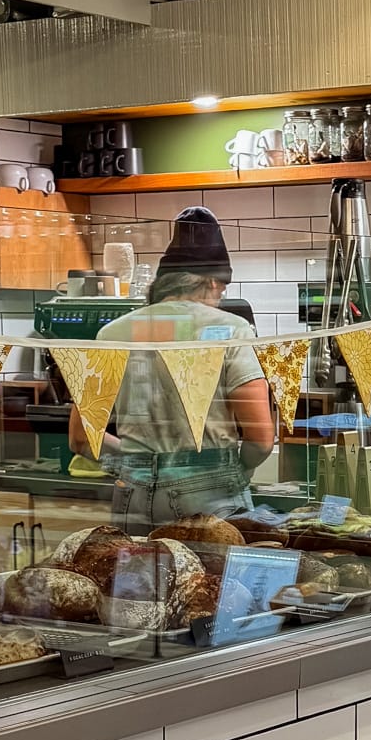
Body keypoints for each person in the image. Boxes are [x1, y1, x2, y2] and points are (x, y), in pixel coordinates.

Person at [69, 206, 275, 530]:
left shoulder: (111, 334)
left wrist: (139, 464)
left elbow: (81, 439)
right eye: (222, 289)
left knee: (135, 580)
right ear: (213, 283)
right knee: (211, 582)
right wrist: (231, 470)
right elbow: (261, 439)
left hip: (132, 496)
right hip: (208, 494)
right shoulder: (232, 330)